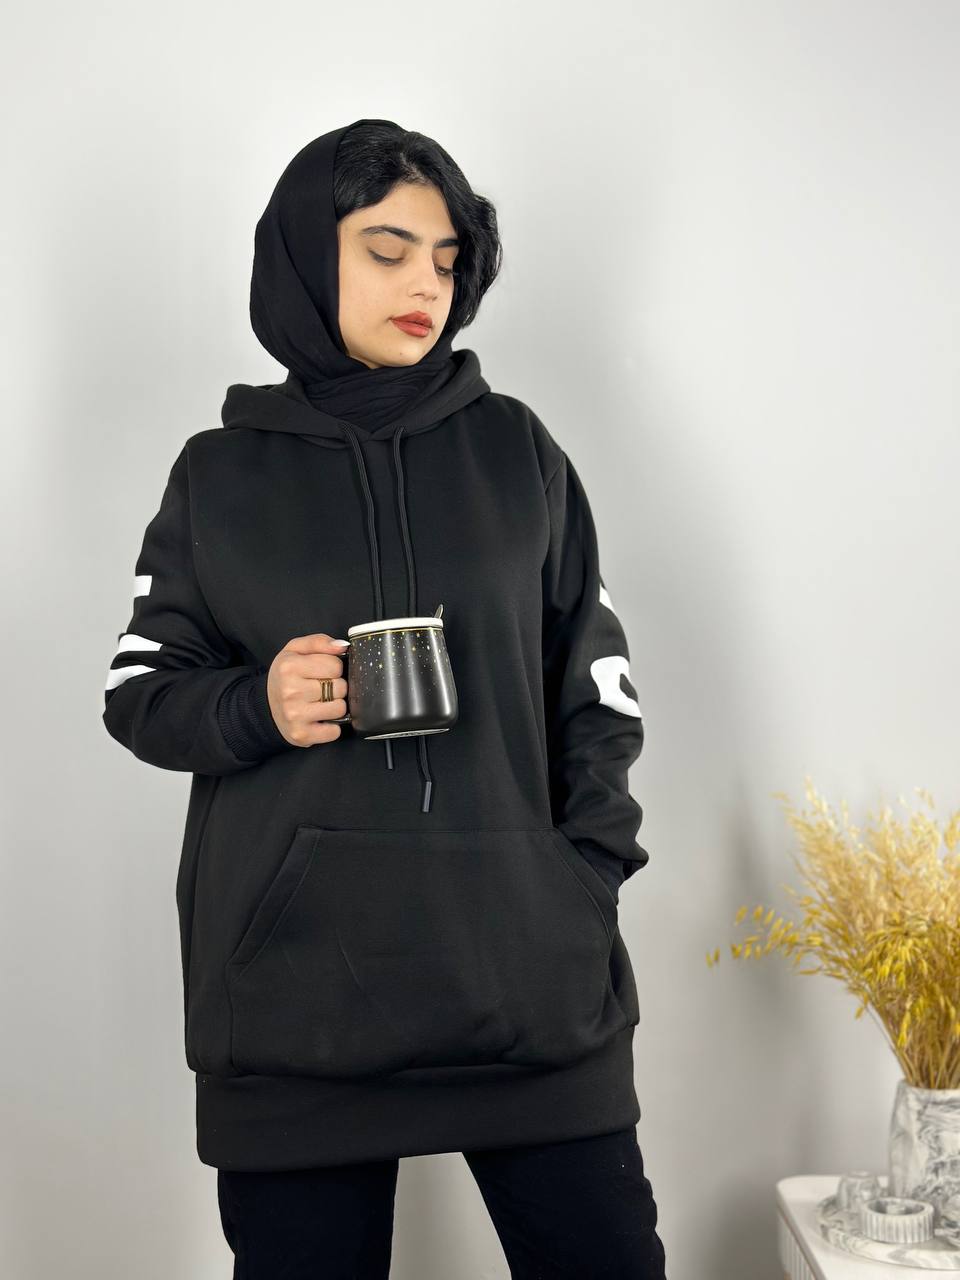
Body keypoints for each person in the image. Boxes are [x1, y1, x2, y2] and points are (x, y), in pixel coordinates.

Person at [103, 117, 666, 1278]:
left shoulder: (518, 451)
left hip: (527, 984)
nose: (426, 286)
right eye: (387, 249)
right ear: (306, 257)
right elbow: (139, 692)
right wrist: (256, 703)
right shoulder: (218, 473)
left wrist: (581, 877)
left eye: (447, 260)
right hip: (295, 1003)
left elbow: (599, 691)